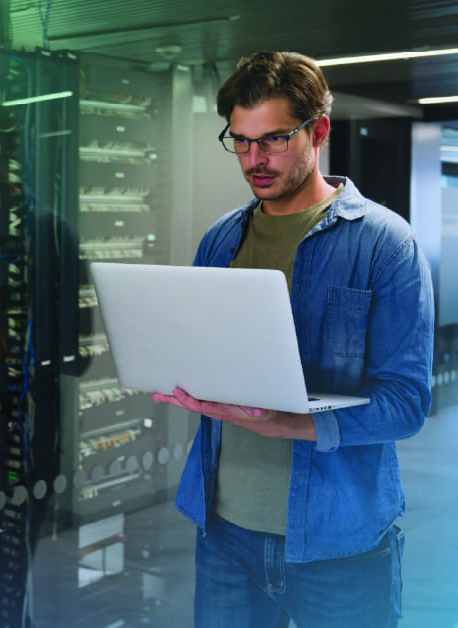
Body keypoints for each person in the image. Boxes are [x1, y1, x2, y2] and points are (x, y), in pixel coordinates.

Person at [153, 51, 434, 627]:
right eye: (240, 141)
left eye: (273, 140)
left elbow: (406, 405)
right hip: (224, 532)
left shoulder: (385, 244)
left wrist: (290, 423)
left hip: (338, 542)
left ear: (318, 131)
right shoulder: (220, 241)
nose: (254, 160)